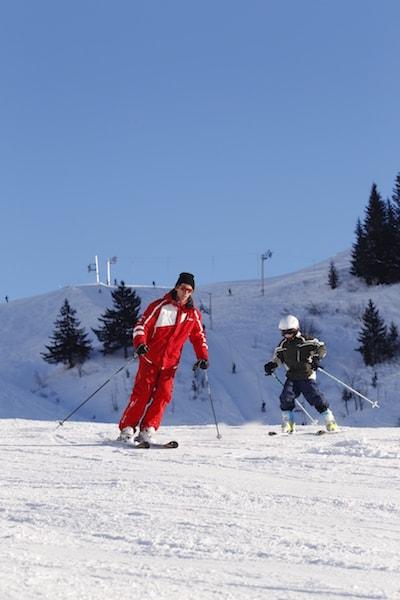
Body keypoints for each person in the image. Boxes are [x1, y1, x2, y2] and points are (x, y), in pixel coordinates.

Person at [118, 272, 209, 443]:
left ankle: (148, 429)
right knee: (142, 394)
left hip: (170, 364)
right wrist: (140, 343)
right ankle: (127, 429)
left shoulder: (192, 315)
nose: (186, 293)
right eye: (183, 288)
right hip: (150, 359)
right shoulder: (160, 307)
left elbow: (199, 337)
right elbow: (141, 326)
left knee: (163, 395)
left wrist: (203, 356)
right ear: (176, 287)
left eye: (190, 290)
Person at [264, 314, 337, 433]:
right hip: (292, 376)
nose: (287, 335)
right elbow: (277, 358)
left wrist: (316, 358)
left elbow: (321, 347)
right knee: (285, 397)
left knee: (315, 397)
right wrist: (272, 365)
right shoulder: (283, 345)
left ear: (296, 330)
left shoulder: (306, 340)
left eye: (289, 332)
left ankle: (330, 421)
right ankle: (288, 423)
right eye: (284, 333)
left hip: (307, 375)